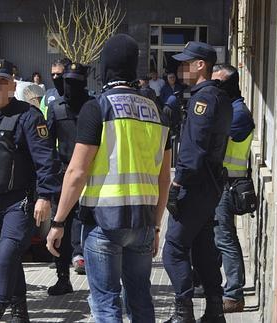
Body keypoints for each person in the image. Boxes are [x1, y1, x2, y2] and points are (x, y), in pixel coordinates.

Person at [46, 34, 172, 322]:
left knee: (106, 304)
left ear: (105, 68)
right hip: (141, 222)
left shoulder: (97, 108)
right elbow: (164, 178)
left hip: (102, 223)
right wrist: (156, 225)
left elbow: (77, 172)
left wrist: (58, 221)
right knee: (140, 298)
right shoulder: (157, 112)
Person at [0, 59, 60, 322]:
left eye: (4, 82)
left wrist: (45, 196)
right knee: (6, 256)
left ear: (13, 84)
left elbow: (46, 160)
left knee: (6, 253)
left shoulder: (29, 116)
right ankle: (20, 312)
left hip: (19, 200)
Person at [162, 41, 233, 323]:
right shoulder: (219, 96)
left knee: (174, 249)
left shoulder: (203, 99)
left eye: (185, 63)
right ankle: (214, 310)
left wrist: (177, 184)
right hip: (209, 185)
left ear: (200, 65)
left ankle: (183, 314)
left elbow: (194, 147)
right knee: (203, 246)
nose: (180, 69)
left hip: (195, 184)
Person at [212, 63, 255, 313]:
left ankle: (234, 294)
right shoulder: (230, 109)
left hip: (229, 185)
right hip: (223, 183)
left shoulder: (237, 113)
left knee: (225, 238)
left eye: (218, 83)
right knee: (219, 236)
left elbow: (215, 142)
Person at [45, 62, 90, 297]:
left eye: (75, 82)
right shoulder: (56, 108)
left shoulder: (94, 107)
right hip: (64, 175)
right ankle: (63, 278)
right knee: (61, 225)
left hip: (92, 176)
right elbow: (47, 144)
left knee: (94, 227)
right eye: (67, 82)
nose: (70, 87)